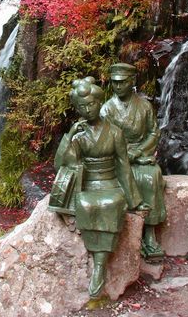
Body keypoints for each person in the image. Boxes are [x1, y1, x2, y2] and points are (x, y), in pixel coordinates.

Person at [50, 76, 144, 298]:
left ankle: (100, 266)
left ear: (100, 103)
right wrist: (70, 136)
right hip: (88, 182)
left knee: (111, 203)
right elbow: (63, 165)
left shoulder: (114, 132)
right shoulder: (80, 134)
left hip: (110, 182)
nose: (87, 110)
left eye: (91, 104)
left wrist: (134, 200)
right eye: (82, 106)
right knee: (86, 203)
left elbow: (123, 167)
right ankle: (98, 262)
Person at [101, 63, 166, 259]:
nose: (118, 86)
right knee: (123, 177)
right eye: (114, 83)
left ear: (132, 82)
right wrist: (122, 153)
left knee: (151, 177)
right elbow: (103, 137)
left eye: (122, 82)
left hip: (139, 154)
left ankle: (149, 234)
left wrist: (138, 151)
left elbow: (154, 133)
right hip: (116, 156)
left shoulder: (144, 106)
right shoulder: (107, 109)